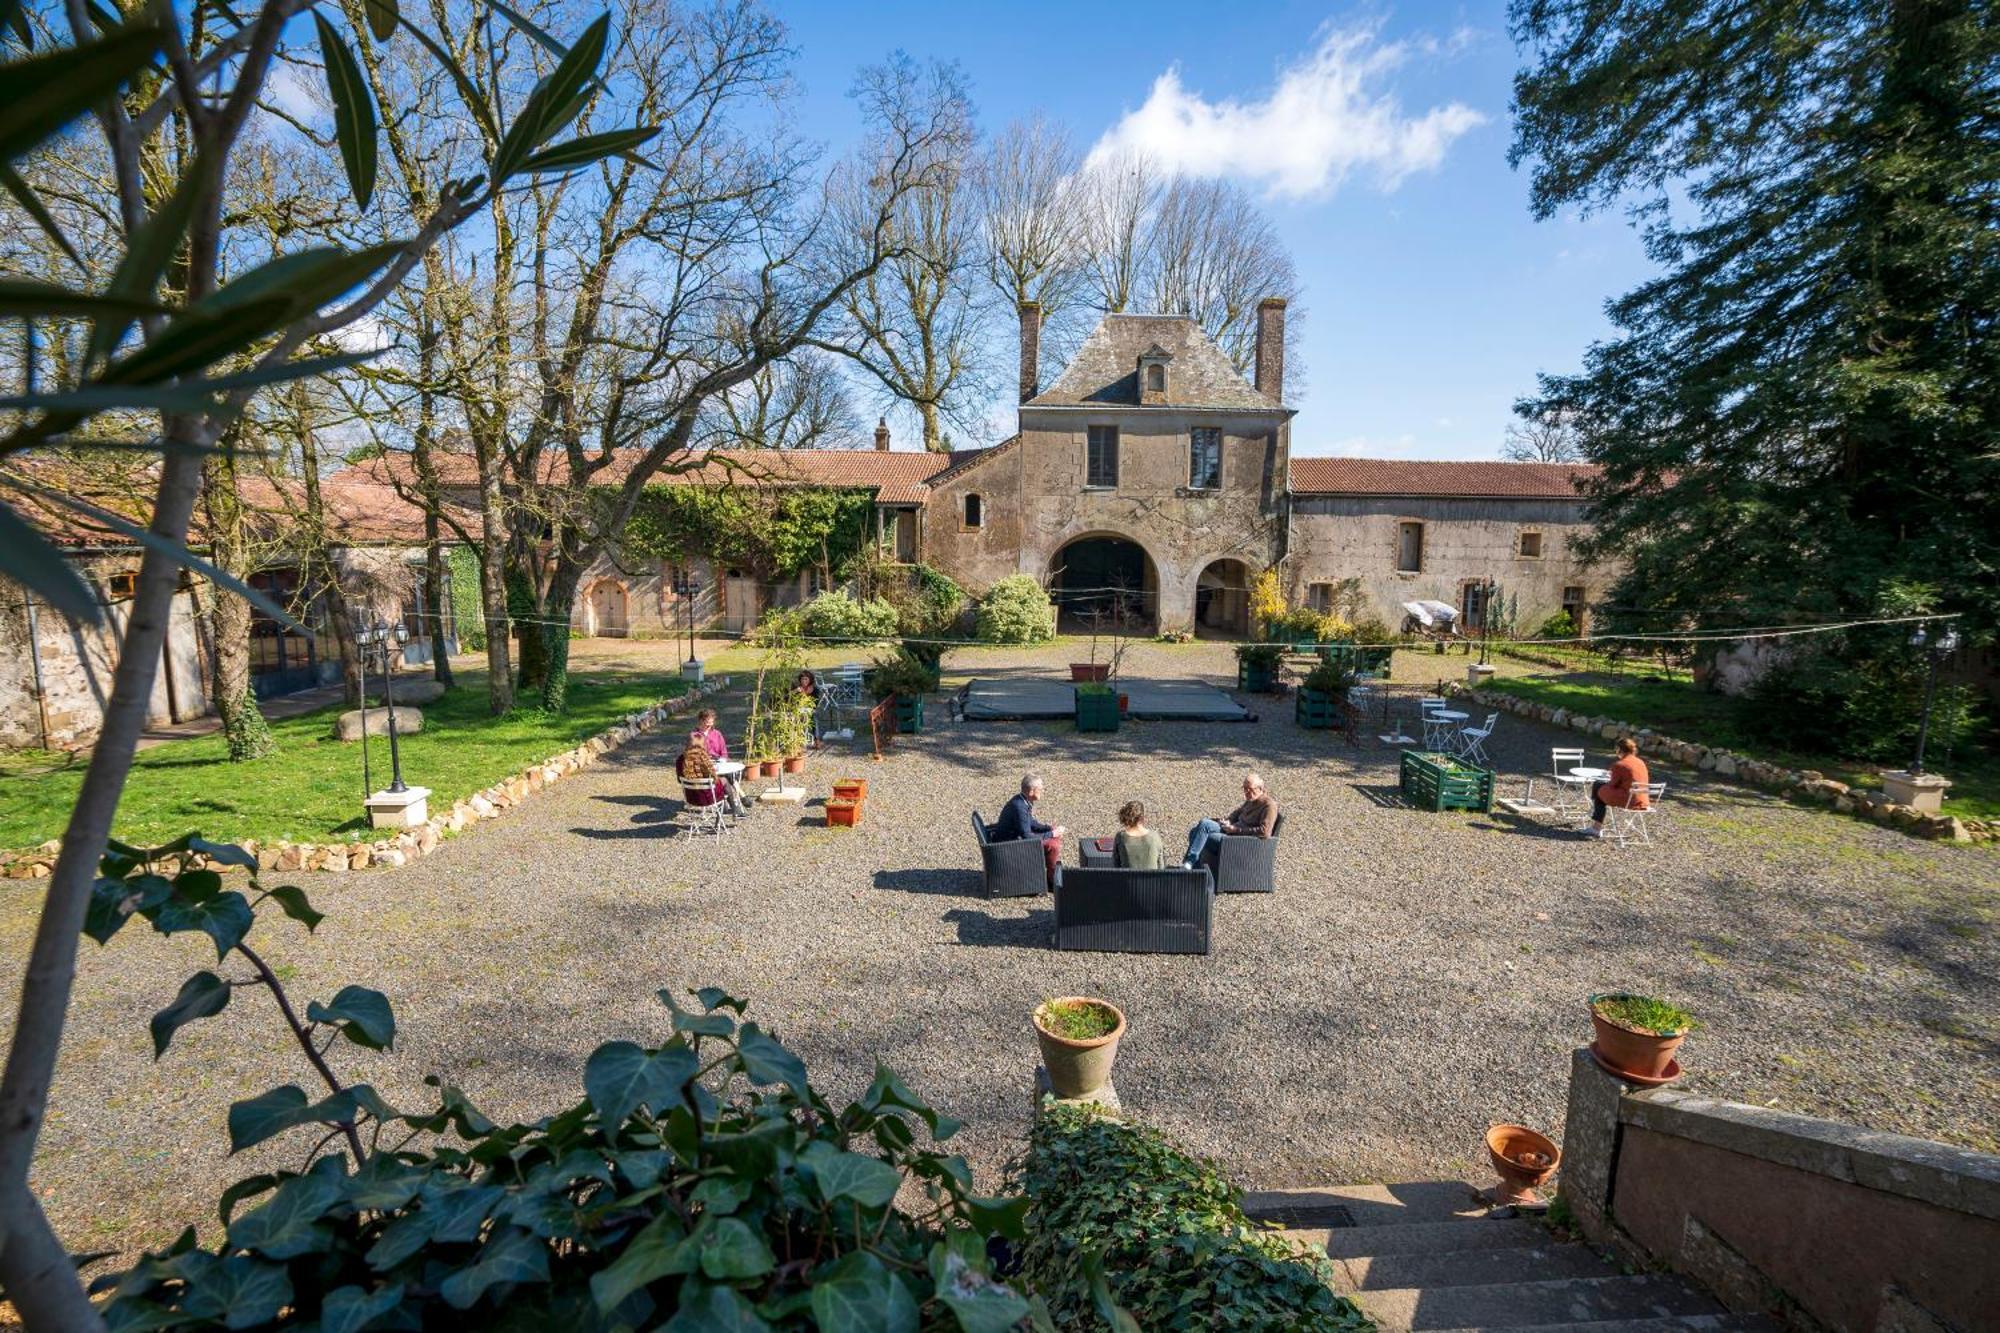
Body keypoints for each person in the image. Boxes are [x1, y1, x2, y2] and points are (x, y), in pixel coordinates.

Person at [1183, 771, 1278, 869]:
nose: (1246, 792)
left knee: (1200, 833)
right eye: (1244, 789)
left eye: (1249, 789)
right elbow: (1238, 812)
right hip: (1232, 831)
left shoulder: (1269, 806)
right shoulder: (1251, 799)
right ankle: (1194, 867)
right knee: (1201, 826)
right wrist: (1229, 821)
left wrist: (1236, 830)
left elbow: (1265, 832)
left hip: (1239, 841)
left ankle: (1192, 865)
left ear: (1260, 788)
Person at [992, 773, 1066, 887]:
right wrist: (1052, 833)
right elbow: (1027, 836)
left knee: (1054, 839)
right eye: (1040, 789)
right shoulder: (1019, 807)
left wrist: (1049, 828)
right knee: (1053, 846)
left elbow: (1031, 823)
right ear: (1031, 791)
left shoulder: (1022, 800)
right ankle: (1051, 881)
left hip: (1014, 837)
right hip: (1008, 845)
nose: (1042, 791)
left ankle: (1050, 875)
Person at [1582, 736, 1649, 838]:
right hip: (1643, 800)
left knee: (1599, 788)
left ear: (1619, 749)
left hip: (1629, 800)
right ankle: (1594, 812)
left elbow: (1612, 784)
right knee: (1600, 788)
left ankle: (1596, 826)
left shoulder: (1620, 764)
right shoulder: (1640, 762)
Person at [688, 708, 747, 815]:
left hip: (718, 762)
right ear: (701, 721)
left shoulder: (717, 734)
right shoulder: (694, 735)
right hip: (705, 768)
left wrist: (722, 759)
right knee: (725, 778)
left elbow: (724, 752)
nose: (709, 726)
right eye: (707, 724)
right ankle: (739, 799)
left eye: (711, 723)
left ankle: (733, 804)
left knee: (726, 774)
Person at [675, 736, 727, 813]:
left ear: (688, 744)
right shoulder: (703, 759)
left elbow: (680, 780)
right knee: (725, 780)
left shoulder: (680, 760)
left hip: (691, 798)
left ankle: (729, 808)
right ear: (703, 745)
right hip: (709, 799)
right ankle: (734, 810)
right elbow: (713, 779)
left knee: (723, 781)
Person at [1113, 799, 1164, 870]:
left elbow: (1115, 867)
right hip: (1152, 880)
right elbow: (1161, 867)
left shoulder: (1121, 837)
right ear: (1143, 817)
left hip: (1127, 880)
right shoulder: (1155, 837)